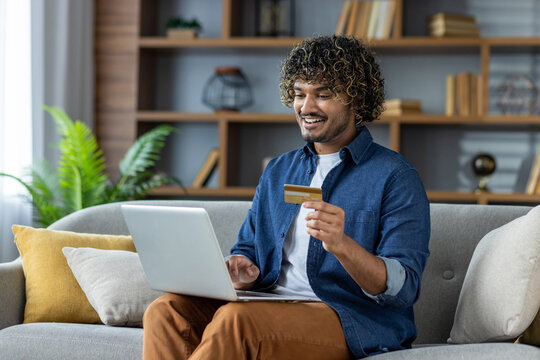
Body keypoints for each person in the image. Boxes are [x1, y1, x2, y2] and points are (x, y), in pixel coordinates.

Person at [142, 35, 430, 359]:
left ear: (356, 99)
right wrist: (243, 268)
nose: (306, 108)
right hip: (269, 302)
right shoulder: (279, 170)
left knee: (237, 322)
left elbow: (403, 288)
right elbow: (248, 247)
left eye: (323, 95)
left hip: (350, 317)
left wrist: (342, 245)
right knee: (166, 311)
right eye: (299, 94)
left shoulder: (395, 177)